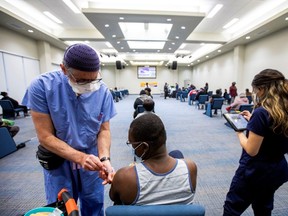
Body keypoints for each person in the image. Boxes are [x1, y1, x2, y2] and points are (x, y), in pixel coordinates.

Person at [26, 43, 117, 216]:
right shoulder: (42, 87)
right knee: (63, 208)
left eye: (93, 79)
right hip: (59, 159)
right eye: (82, 80)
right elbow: (45, 136)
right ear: (63, 69)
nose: (89, 86)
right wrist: (81, 158)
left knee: (94, 204)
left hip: (92, 158)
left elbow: (104, 130)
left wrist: (105, 158)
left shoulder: (102, 91)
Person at [223, 69, 288, 216]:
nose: (255, 93)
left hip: (255, 172)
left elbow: (251, 150)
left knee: (232, 208)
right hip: (277, 169)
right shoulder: (283, 110)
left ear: (263, 89)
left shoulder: (262, 113)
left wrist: (239, 131)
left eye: (255, 90)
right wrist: (253, 120)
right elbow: (272, 131)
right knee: (263, 206)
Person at [109, 113, 197, 205]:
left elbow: (113, 197)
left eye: (132, 144)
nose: (132, 147)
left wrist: (116, 180)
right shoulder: (190, 167)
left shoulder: (124, 177)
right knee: (176, 154)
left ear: (144, 147)